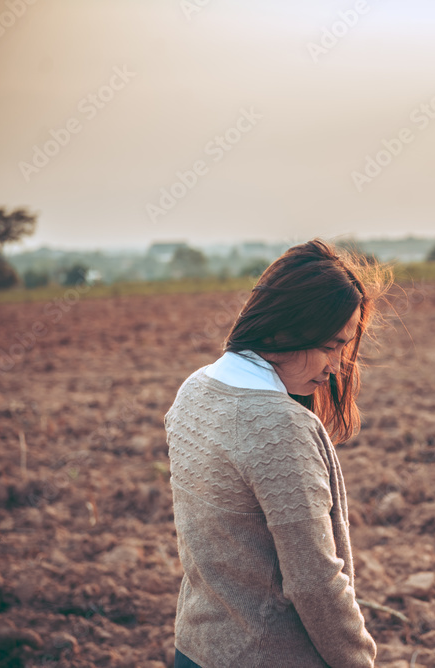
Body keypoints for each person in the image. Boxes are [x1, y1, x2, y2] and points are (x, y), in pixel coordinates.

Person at [164, 239, 388, 667]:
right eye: (329, 346)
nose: (337, 365)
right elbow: (315, 583)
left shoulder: (194, 390)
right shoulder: (281, 427)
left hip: (196, 649)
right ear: (286, 330)